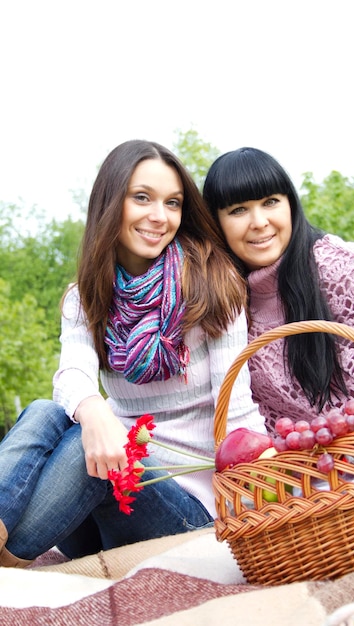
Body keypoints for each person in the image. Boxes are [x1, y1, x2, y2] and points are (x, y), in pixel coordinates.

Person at [0, 140, 265, 567]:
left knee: (96, 449)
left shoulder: (214, 287)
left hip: (186, 508)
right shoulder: (85, 299)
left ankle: (9, 560)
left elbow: (235, 414)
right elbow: (72, 374)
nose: (160, 217)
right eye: (142, 198)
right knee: (46, 412)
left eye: (173, 203)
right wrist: (96, 412)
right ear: (111, 203)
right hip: (96, 509)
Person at [203, 146, 354, 434]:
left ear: (290, 205)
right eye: (238, 210)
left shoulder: (329, 260)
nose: (259, 222)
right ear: (216, 223)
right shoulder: (224, 299)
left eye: (270, 202)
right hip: (315, 455)